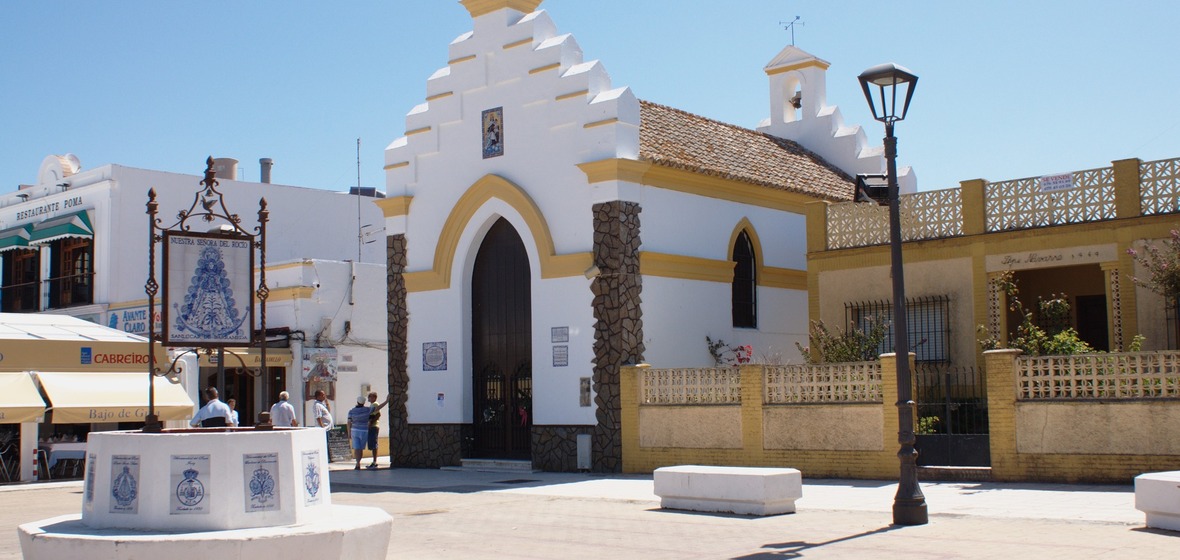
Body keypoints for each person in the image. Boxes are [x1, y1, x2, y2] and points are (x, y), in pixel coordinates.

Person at [365, 391, 391, 469]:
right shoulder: (372, 405)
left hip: (373, 426)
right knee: (372, 444)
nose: (368, 398)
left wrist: (386, 401)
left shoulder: (375, 404)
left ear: (374, 397)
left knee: (374, 444)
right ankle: (374, 461)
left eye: (370, 396)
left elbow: (376, 412)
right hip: (372, 426)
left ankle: (375, 461)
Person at [346, 396, 370, 470]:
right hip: (364, 430)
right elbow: (377, 408)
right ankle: (358, 462)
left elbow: (349, 422)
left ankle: (357, 463)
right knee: (361, 448)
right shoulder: (367, 410)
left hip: (355, 430)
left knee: (357, 448)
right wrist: (386, 401)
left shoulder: (352, 411)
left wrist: (349, 432)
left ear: (357, 402)